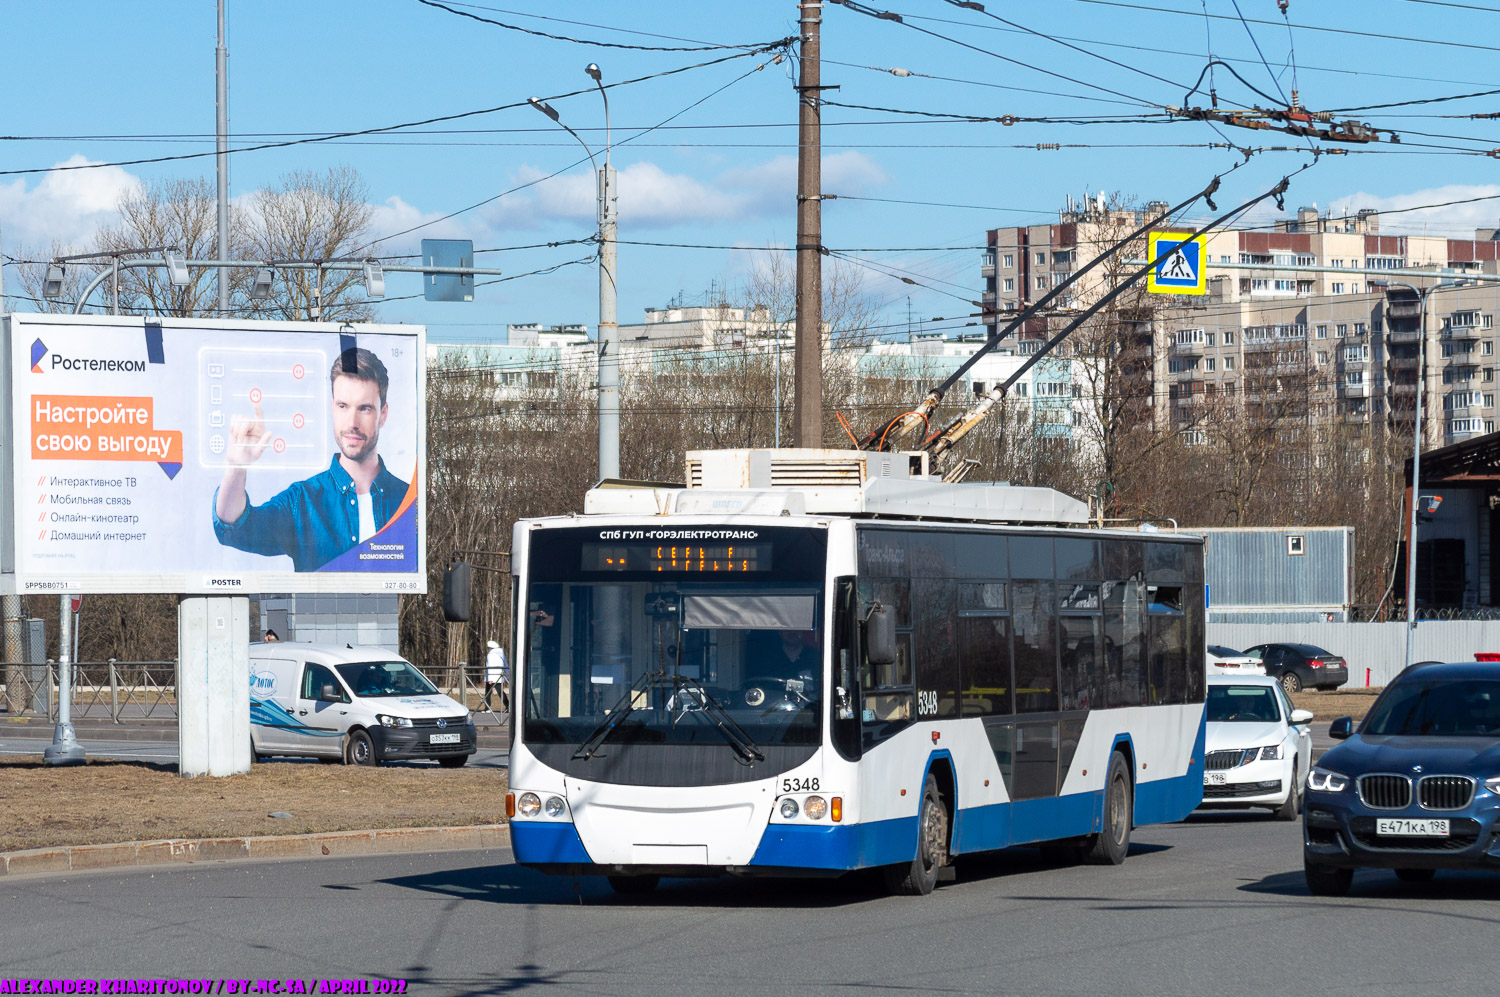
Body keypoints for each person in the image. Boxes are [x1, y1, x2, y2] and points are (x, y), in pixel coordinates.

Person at [212, 347, 412, 572]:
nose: (352, 422)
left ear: (383, 414)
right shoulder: (303, 502)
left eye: (364, 408)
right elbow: (237, 528)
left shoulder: (407, 500)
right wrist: (236, 467)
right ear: (332, 407)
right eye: (343, 406)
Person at [484, 640, 509, 712]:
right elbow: (506, 664)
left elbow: (490, 666)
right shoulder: (501, 654)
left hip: (491, 677)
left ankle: (487, 708)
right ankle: (508, 705)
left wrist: (490, 679)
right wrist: (508, 676)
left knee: (488, 693)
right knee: (500, 692)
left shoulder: (490, 655)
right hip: (499, 676)